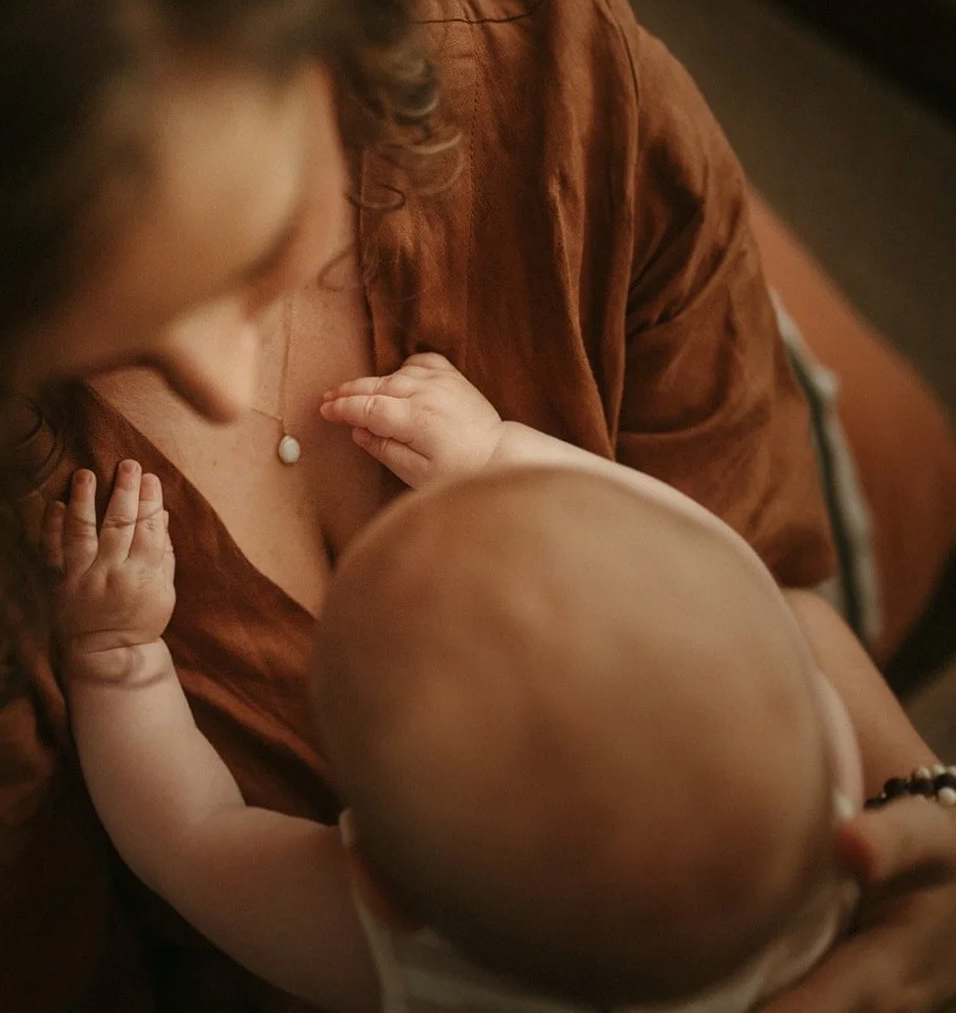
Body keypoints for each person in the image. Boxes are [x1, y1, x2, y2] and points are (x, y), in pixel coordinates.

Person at [0, 0, 956, 1008]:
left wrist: (936, 844)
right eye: (93, 337)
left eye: (260, 247)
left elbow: (760, 585)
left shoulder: (581, 96)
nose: (219, 386)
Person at [49, 352, 917, 1012]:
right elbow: (728, 566)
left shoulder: (406, 954)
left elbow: (188, 835)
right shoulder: (828, 811)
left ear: (374, 881)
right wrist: (501, 453)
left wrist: (116, 657)